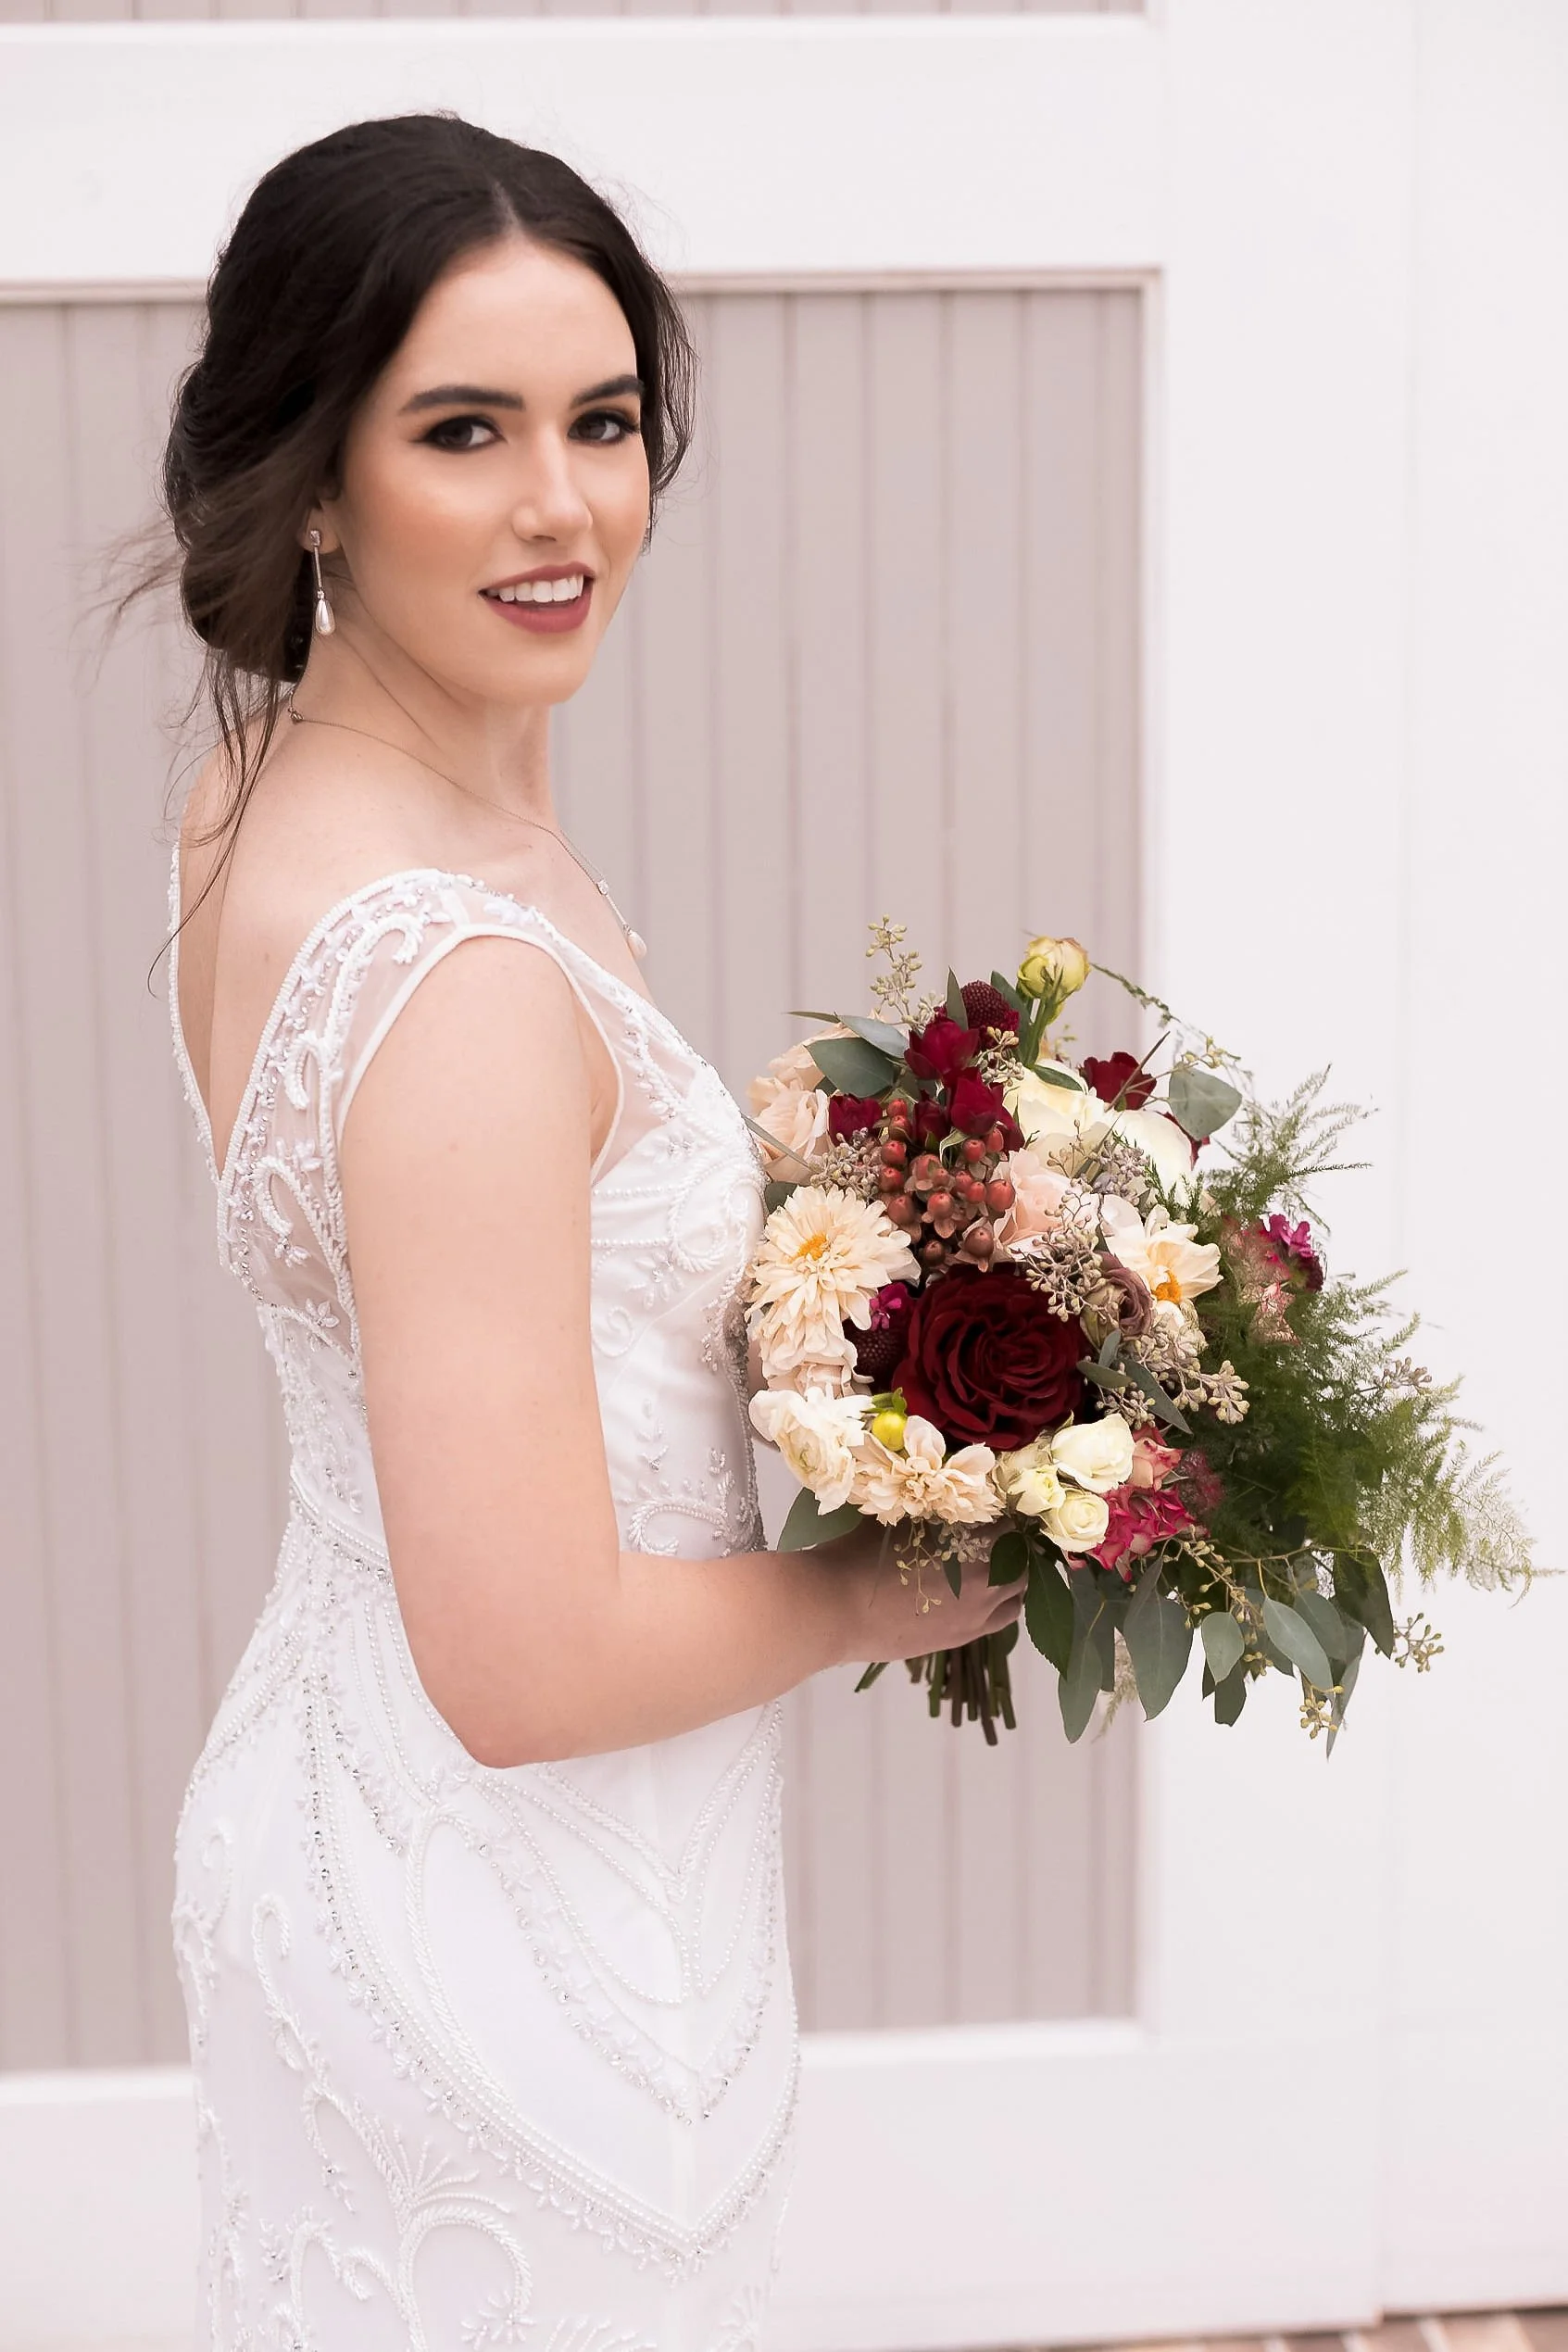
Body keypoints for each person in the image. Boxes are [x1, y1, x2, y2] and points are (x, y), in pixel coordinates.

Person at [155, 113, 1023, 2348]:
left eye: (606, 423)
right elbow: (526, 1661)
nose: (564, 508)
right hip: (513, 1943)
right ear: (317, 478)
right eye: (468, 432)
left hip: (380, 1831)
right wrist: (884, 1588)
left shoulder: (271, 789)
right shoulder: (449, 973)